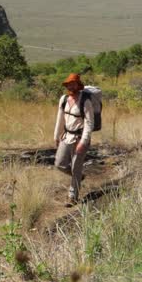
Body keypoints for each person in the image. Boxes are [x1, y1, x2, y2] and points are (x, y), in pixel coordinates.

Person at [53, 72, 94, 206]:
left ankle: (73, 197)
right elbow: (60, 118)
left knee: (76, 167)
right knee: (59, 163)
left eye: (73, 84)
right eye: (68, 84)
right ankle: (79, 177)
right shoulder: (64, 99)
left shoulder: (85, 101)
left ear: (78, 85)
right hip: (66, 136)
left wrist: (83, 142)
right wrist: (56, 136)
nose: (70, 87)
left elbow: (89, 123)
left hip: (80, 138)